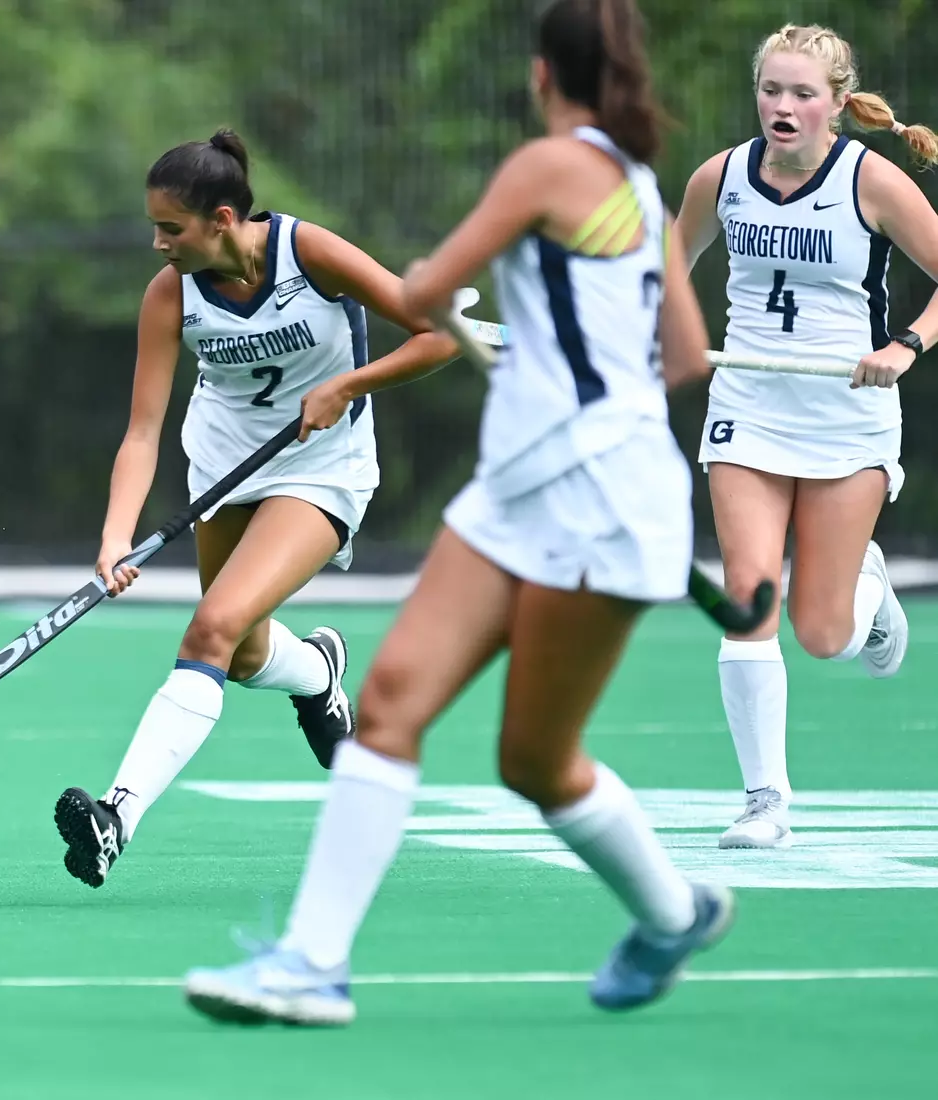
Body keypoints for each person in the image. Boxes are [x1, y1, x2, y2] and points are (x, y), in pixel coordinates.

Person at [182, 0, 730, 1026]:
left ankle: (673, 914)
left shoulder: (546, 167)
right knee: (392, 699)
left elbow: (429, 289)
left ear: (540, 75)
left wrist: (548, 364)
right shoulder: (639, 188)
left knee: (535, 760)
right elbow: (685, 356)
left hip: (600, 498)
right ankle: (310, 964)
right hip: (522, 487)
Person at [52, 129, 461, 889]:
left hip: (322, 467)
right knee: (240, 654)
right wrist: (115, 537)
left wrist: (348, 385)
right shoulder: (170, 294)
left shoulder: (312, 255)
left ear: (223, 219)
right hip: (224, 466)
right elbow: (141, 430)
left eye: (170, 228)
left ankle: (117, 816)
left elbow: (439, 337)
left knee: (211, 628)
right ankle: (317, 674)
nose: (157, 243)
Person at [676, 24, 936, 850]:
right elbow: (665, 274)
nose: (782, 106)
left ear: (836, 103)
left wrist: (906, 346)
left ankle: (869, 588)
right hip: (748, 408)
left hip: (847, 419)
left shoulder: (871, 181)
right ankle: (766, 803)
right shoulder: (721, 177)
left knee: (824, 636)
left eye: (801, 93)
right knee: (748, 598)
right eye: (770, 90)